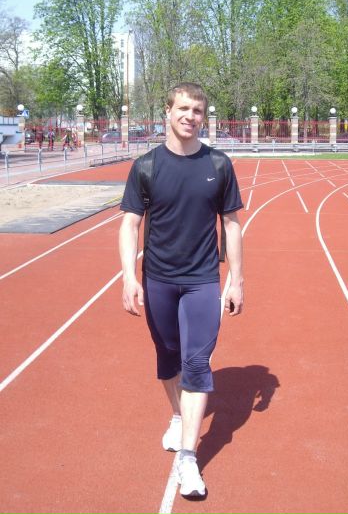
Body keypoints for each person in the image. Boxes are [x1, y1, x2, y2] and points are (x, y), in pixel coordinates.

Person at [119, 82, 244, 499]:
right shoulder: (146, 166)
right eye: (184, 109)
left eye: (198, 111)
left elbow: (231, 224)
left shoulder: (219, 164)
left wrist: (236, 279)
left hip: (202, 280)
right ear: (168, 112)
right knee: (168, 356)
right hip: (158, 278)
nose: (190, 116)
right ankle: (177, 414)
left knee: (196, 362)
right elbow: (130, 224)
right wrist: (129, 276)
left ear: (204, 117)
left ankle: (188, 458)